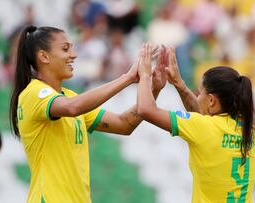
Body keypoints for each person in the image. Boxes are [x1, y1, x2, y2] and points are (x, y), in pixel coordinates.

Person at [9, 25, 167, 203]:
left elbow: (123, 124)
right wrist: (128, 78)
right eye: (65, 49)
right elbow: (72, 108)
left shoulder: (70, 97)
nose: (74, 55)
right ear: (44, 56)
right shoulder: (34, 93)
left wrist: (153, 89)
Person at [137, 44, 255, 202]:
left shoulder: (204, 127)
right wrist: (179, 85)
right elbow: (203, 121)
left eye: (200, 92)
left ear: (211, 100)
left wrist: (145, 75)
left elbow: (145, 109)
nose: (196, 94)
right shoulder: (250, 132)